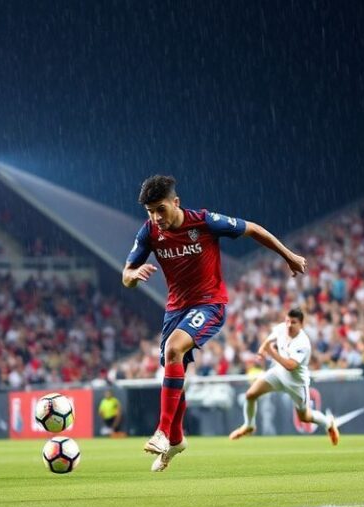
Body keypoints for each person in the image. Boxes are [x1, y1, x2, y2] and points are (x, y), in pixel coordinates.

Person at [123, 174, 306, 472]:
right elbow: (126, 275)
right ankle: (176, 440)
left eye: (160, 209)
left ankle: (162, 431)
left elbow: (253, 229)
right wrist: (133, 275)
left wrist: (288, 256)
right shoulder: (149, 232)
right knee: (173, 367)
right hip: (175, 310)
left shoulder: (205, 222)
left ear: (175, 202)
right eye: (150, 212)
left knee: (173, 349)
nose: (156, 217)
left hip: (210, 303)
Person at [229, 309, 339, 445]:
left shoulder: (303, 343)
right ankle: (249, 426)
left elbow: (290, 365)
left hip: (296, 383)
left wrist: (271, 352)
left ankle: (329, 423)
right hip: (278, 374)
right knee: (250, 395)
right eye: (287, 321)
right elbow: (269, 339)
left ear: (301, 325)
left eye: (293, 322)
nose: (289, 325)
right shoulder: (282, 328)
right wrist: (262, 350)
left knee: (305, 416)